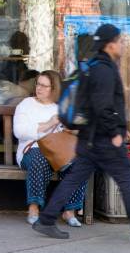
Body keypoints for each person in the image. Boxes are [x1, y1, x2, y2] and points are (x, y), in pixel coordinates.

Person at [34, 24, 130, 244]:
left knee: (74, 179)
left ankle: (46, 220)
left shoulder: (93, 65)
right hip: (103, 140)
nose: (123, 44)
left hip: (88, 139)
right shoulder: (104, 70)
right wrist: (116, 132)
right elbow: (103, 106)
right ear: (110, 44)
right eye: (120, 40)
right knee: (126, 179)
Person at [13, 71, 87, 227]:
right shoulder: (26, 104)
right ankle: (34, 208)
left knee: (80, 163)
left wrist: (71, 128)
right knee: (40, 157)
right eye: (38, 84)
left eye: (44, 86)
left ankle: (69, 211)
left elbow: (76, 130)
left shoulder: (62, 107)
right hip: (31, 149)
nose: (39, 88)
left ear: (54, 89)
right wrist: (49, 124)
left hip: (58, 152)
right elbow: (19, 132)